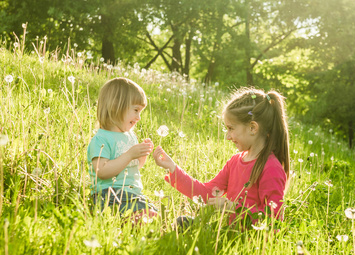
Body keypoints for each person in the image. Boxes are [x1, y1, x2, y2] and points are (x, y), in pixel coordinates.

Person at [153, 87, 290, 227]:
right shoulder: (235, 162)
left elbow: (274, 218)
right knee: (182, 223)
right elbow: (206, 194)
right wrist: (173, 167)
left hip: (249, 242)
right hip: (226, 233)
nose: (227, 136)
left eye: (231, 128)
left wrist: (232, 208)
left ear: (253, 128)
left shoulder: (271, 168)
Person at [87, 77, 157, 221]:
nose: (138, 117)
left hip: (133, 195)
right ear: (116, 106)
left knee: (154, 213)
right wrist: (130, 154)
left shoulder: (130, 136)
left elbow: (133, 168)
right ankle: (133, 222)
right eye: (136, 110)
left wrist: (141, 156)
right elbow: (102, 171)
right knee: (146, 216)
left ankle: (149, 222)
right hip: (110, 195)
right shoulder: (101, 139)